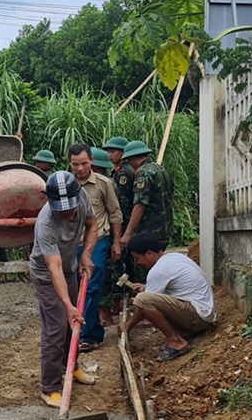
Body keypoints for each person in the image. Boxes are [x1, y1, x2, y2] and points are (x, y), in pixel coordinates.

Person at [30, 171, 98, 408]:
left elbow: (92, 224)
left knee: (74, 324)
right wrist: (68, 306)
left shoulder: (82, 198)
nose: (68, 213)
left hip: (69, 267)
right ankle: (50, 387)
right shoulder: (46, 222)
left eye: (70, 208)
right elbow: (53, 267)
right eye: (62, 209)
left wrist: (86, 255)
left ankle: (71, 366)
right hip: (47, 275)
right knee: (57, 327)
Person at [121, 233, 216, 361]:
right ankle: (183, 333)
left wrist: (127, 326)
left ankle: (176, 342)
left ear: (149, 253)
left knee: (142, 299)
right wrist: (145, 287)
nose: (138, 263)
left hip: (198, 317)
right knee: (145, 296)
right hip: (204, 314)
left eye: (138, 258)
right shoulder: (174, 257)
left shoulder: (157, 271)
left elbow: (143, 304)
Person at [69, 144, 122, 352]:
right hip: (72, 243)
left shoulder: (103, 184)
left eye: (84, 163)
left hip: (98, 240)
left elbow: (115, 213)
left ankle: (87, 335)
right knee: (73, 288)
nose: (80, 168)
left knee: (90, 287)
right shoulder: (66, 184)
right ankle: (89, 330)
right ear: (70, 164)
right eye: (75, 164)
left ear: (91, 160)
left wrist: (116, 242)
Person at [119, 140, 174, 254]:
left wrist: (128, 232)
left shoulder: (143, 173)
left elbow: (140, 204)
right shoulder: (161, 169)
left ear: (132, 158)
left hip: (149, 231)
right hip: (165, 230)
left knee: (145, 266)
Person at [100, 136, 133, 325]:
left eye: (113, 151)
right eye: (108, 151)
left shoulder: (122, 174)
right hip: (121, 223)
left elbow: (118, 205)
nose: (110, 154)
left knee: (116, 264)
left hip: (120, 223)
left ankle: (117, 303)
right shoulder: (118, 172)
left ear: (123, 153)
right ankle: (117, 303)